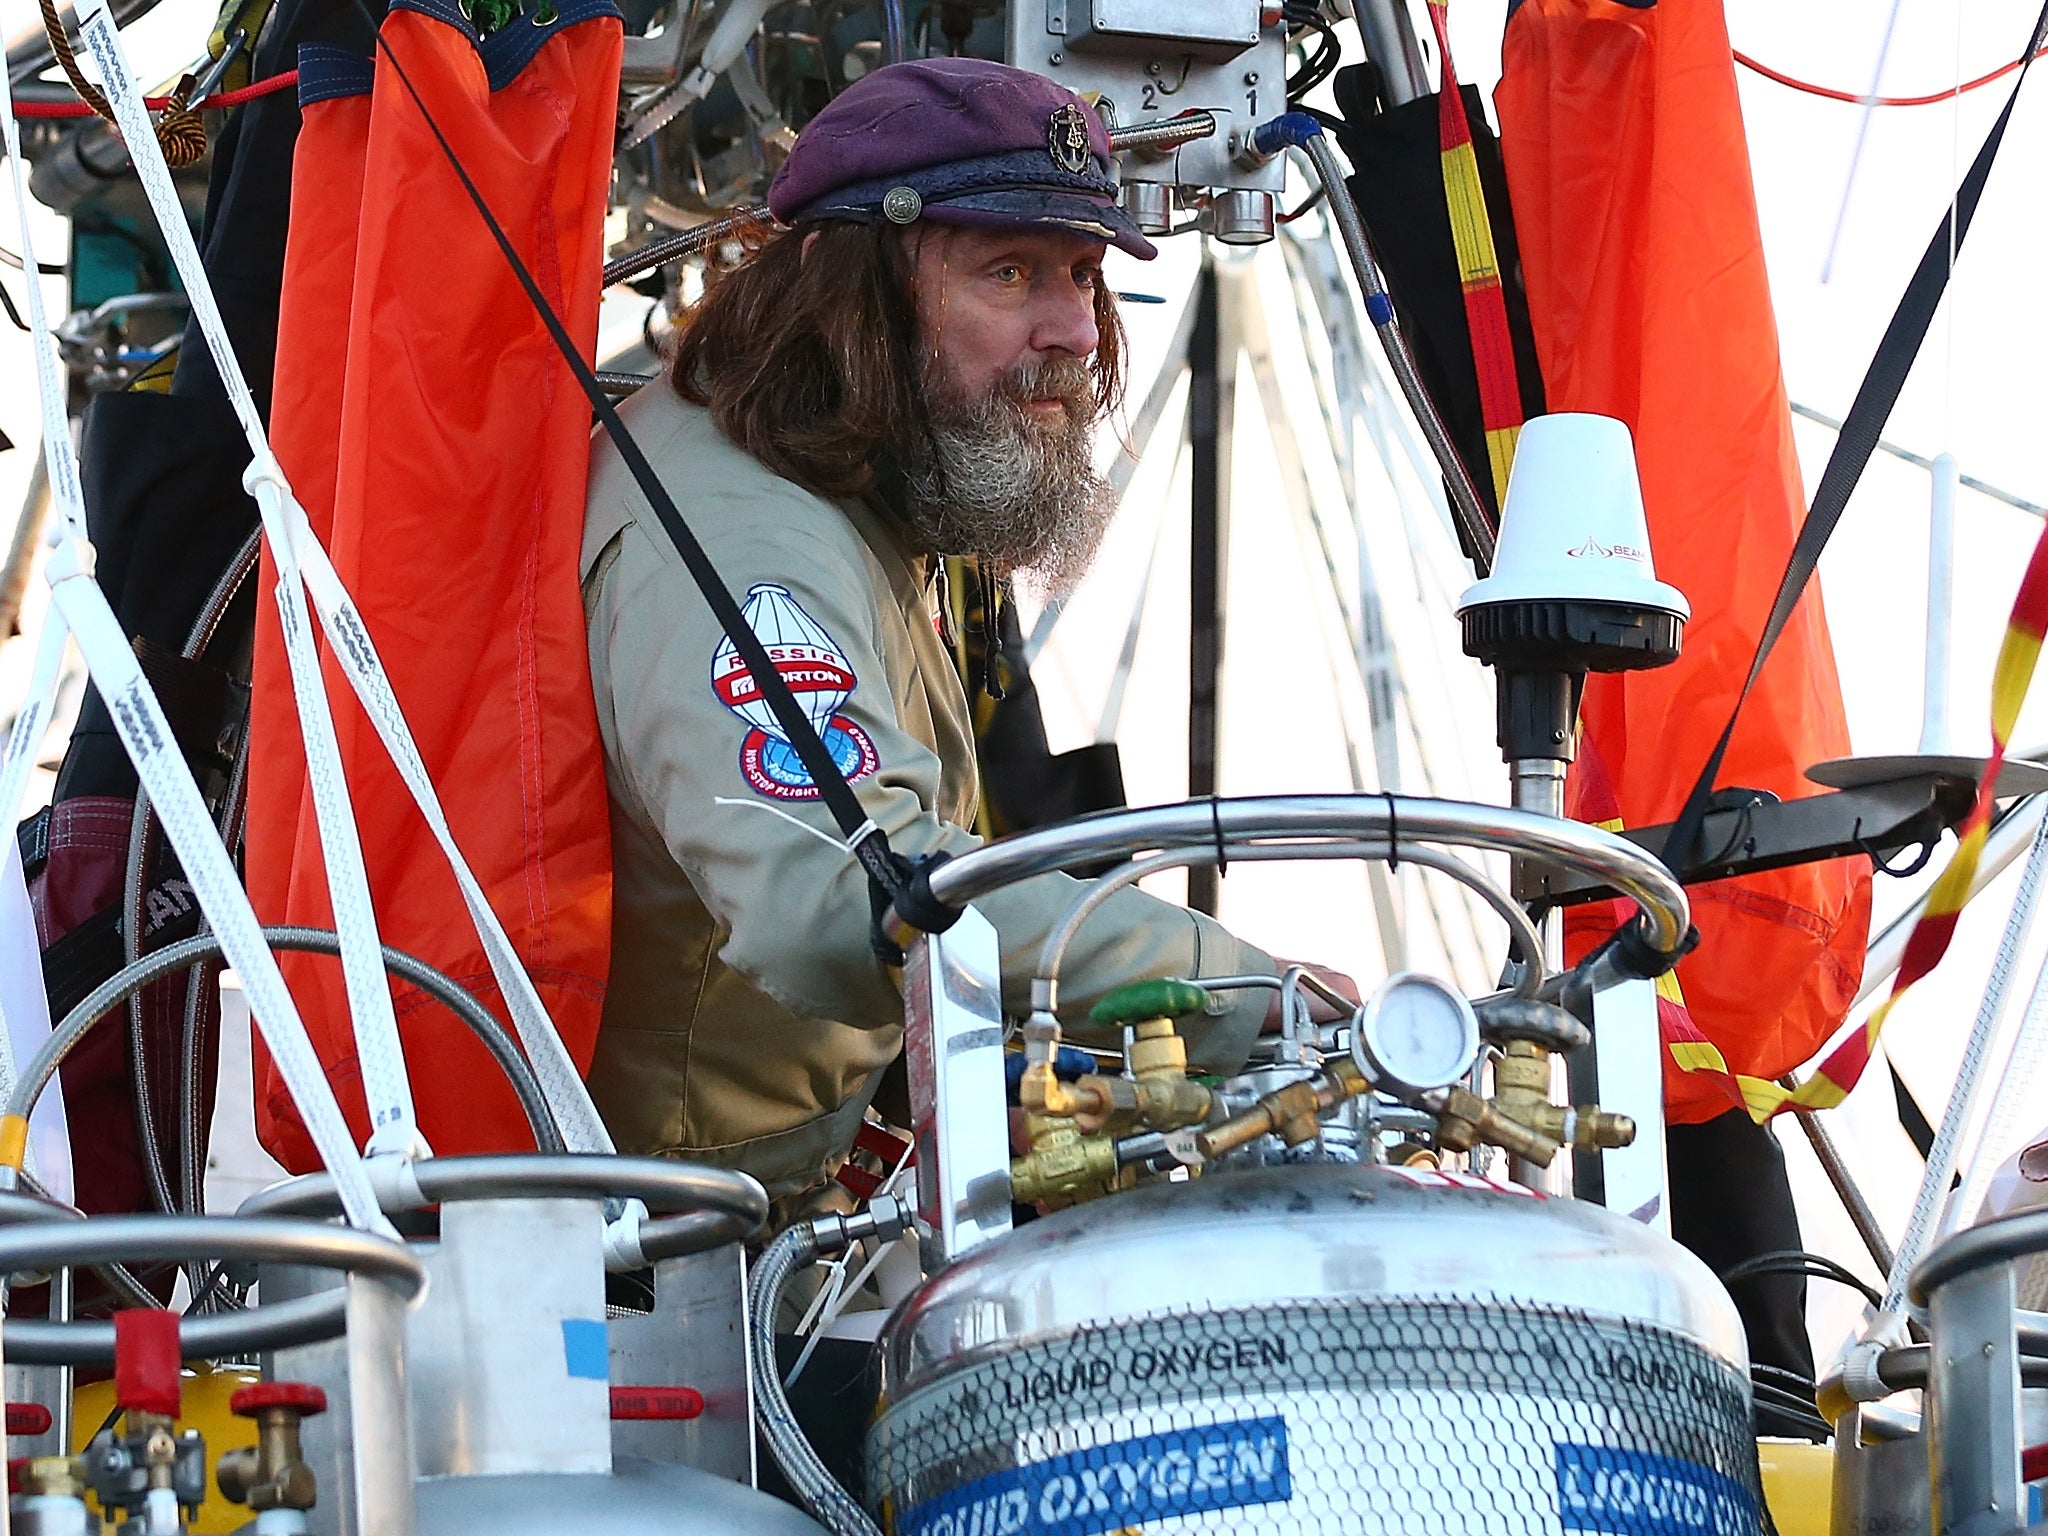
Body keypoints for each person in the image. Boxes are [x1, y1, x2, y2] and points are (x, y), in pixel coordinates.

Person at [580, 56, 1351, 1200]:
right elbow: (846, 902)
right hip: (647, 1270)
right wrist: (1241, 991)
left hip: (769, 1209)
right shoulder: (743, 535)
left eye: (1082, 275)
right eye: (1009, 271)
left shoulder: (838, 475)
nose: (1074, 332)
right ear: (856, 294)